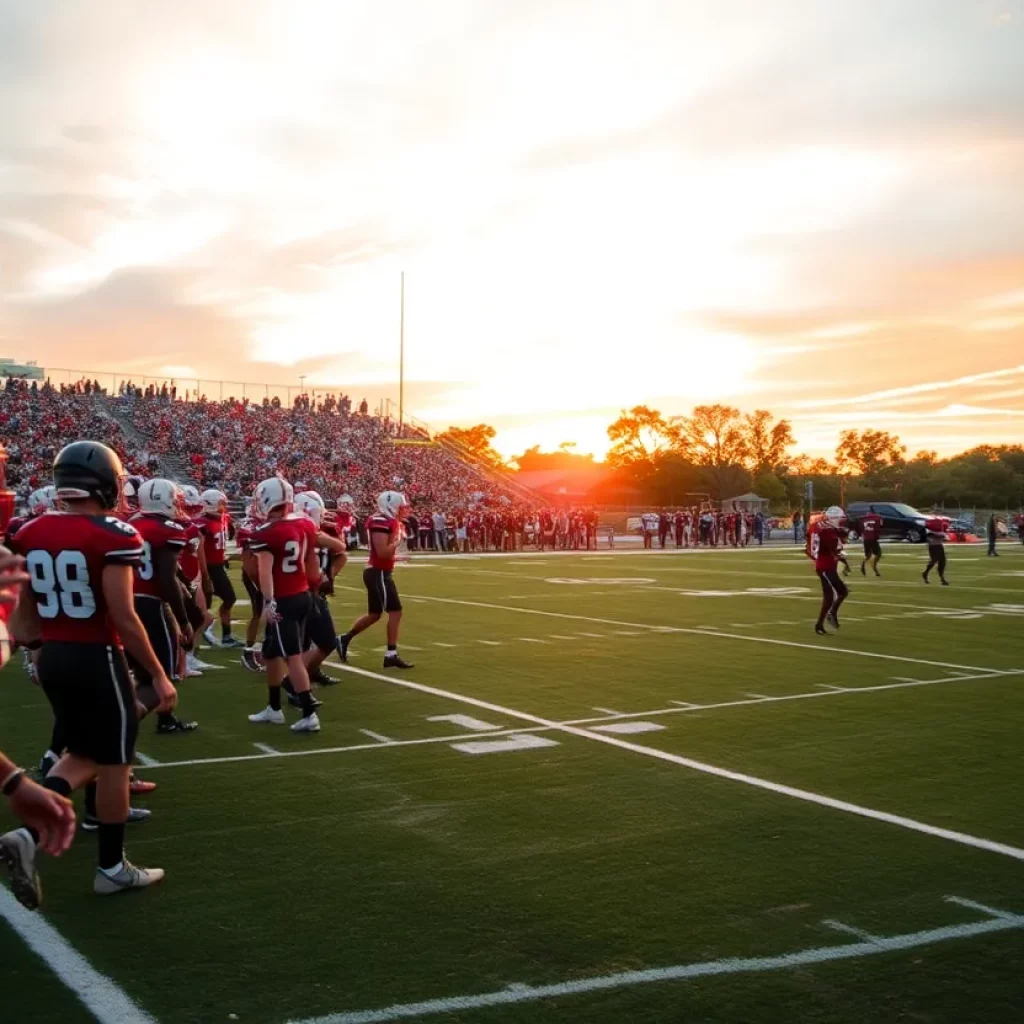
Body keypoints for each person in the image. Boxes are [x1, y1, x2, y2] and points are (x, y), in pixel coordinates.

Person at [3, 441, 172, 903]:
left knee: (83, 754)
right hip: (97, 655)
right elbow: (122, 614)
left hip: (54, 653)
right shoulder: (114, 533)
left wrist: (36, 648)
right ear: (106, 481)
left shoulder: (29, 530)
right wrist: (157, 672)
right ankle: (111, 867)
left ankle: (27, 834)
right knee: (116, 761)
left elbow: (23, 604)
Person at [246, 477, 322, 732]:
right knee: (271, 653)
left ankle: (309, 712)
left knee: (293, 657)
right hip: (302, 595)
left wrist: (269, 602)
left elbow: (265, 573)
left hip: (284, 600)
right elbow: (311, 562)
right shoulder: (304, 524)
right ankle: (274, 707)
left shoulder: (266, 533)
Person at [129, 479, 198, 735]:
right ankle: (116, 730)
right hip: (152, 607)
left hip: (125, 603)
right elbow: (167, 580)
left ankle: (166, 719)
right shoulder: (168, 529)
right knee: (159, 678)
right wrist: (184, 620)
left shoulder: (129, 524)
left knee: (140, 672)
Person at [336, 490, 414, 670]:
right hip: (377, 573)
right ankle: (391, 654)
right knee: (394, 611)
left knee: (376, 614)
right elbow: (382, 552)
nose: (404, 510)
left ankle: (344, 639)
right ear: (391, 506)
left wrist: (396, 557)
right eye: (401, 507)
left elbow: (384, 555)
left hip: (381, 571)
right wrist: (397, 543)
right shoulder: (381, 521)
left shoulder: (390, 521)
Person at [292, 491, 345, 688]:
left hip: (307, 592)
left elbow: (341, 552)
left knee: (304, 643)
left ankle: (305, 676)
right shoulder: (299, 531)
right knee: (324, 641)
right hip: (302, 592)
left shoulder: (298, 530)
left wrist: (329, 575)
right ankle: (293, 682)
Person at [198, 488, 240, 647]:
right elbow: (198, 547)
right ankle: (200, 634)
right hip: (207, 568)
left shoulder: (224, 517)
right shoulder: (202, 523)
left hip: (218, 566)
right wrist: (204, 574)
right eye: (221, 503)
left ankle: (226, 636)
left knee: (229, 598)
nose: (224, 506)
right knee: (204, 605)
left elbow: (228, 532)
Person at [806, 506, 849, 635]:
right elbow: (836, 552)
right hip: (826, 567)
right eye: (839, 519)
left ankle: (821, 623)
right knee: (837, 594)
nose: (841, 522)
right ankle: (830, 615)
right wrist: (844, 560)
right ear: (833, 519)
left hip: (823, 565)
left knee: (834, 594)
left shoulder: (818, 526)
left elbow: (809, 545)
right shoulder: (829, 533)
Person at [923, 515, 950, 586]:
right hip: (933, 546)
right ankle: (925, 573)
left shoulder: (940, 530)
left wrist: (944, 536)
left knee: (942, 562)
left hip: (939, 545)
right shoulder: (929, 530)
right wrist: (941, 536)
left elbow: (944, 537)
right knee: (934, 560)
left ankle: (942, 579)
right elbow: (930, 537)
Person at [859, 505, 884, 576]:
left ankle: (863, 564)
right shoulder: (877, 518)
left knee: (868, 555)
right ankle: (875, 569)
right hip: (873, 539)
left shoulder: (863, 519)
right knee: (878, 554)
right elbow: (878, 528)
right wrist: (877, 537)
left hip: (866, 539)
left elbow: (861, 528)